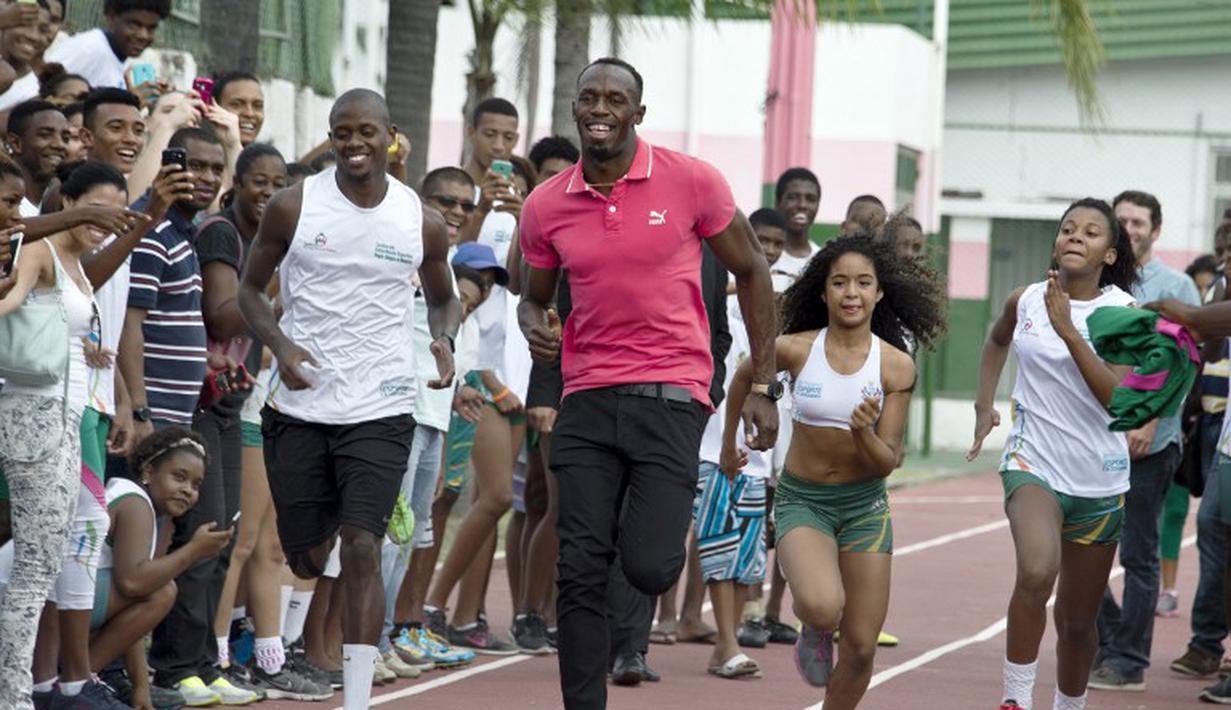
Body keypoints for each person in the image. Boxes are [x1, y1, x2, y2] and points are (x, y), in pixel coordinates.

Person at [517, 57, 779, 709]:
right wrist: (536, 326)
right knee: (578, 566)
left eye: (614, 98)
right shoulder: (546, 204)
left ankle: (629, 556)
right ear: (575, 109)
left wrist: (763, 382)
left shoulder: (691, 181)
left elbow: (750, 272)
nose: (599, 108)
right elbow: (533, 297)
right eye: (588, 97)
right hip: (586, 396)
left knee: (651, 566)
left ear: (638, 112)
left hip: (670, 395)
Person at [238, 89, 460, 710]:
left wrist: (442, 339)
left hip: (383, 404)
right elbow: (251, 292)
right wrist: (281, 346)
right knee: (309, 556)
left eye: (367, 132)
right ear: (331, 138)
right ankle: (327, 515)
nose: (354, 144)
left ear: (391, 135)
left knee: (364, 546)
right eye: (342, 133)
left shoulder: (421, 219)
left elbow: (444, 297)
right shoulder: (293, 206)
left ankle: (356, 700)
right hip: (302, 405)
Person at [728, 235, 941, 706]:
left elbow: (887, 460)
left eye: (863, 283)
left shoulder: (895, 365)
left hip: (864, 506)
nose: (851, 293)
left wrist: (864, 432)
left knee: (863, 648)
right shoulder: (797, 350)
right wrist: (729, 446)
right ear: (822, 292)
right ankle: (817, 629)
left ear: (879, 292)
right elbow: (745, 374)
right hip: (805, 501)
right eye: (839, 283)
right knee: (824, 607)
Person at [968, 198, 1139, 710]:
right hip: (1033, 463)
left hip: (1100, 478)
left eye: (1090, 232)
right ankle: (1015, 700)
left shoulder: (1123, 315)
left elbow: (1117, 398)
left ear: (1109, 254)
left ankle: (1070, 704)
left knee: (1078, 622)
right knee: (1037, 571)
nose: (1075, 237)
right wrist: (983, 404)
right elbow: (997, 341)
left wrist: (1068, 330)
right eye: (1068, 229)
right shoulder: (1025, 300)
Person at [0, 155, 107, 710]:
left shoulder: (80, 264)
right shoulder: (36, 250)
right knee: (37, 563)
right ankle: (13, 697)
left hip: (66, 415)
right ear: (68, 204)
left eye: (116, 212)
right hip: (31, 415)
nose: (107, 222)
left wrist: (90, 352)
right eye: (98, 210)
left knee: (44, 555)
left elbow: (52, 329)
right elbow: (9, 302)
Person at [1090, 190, 1201, 693]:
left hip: (1149, 445)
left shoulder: (1176, 286)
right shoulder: (1096, 280)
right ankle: (1109, 637)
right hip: (1093, 441)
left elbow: (1184, 362)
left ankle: (1129, 659)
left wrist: (1152, 422)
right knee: (1081, 545)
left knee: (1138, 552)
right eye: (1122, 221)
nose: (1129, 229)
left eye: (1138, 222)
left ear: (1156, 231)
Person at [425, 96, 524, 656]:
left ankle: (462, 615)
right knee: (455, 497)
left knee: (489, 497)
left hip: (504, 375)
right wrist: (482, 206)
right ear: (472, 132)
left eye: (510, 137)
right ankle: (429, 606)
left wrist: (520, 208)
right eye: (492, 135)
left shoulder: (515, 211)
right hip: (466, 376)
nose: (501, 147)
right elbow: (460, 262)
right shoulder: (457, 206)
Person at [81, 429, 228, 709]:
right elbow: (134, 585)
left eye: (196, 485)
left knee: (156, 586)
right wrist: (193, 551)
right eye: (179, 477)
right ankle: (77, 682)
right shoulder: (136, 504)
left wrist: (140, 688)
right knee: (162, 590)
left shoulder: (138, 501)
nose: (188, 490)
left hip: (56, 601)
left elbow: (132, 615)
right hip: (41, 601)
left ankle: (78, 678)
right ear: (148, 472)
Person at [46, 0, 171, 91]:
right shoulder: (89, 49)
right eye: (134, 25)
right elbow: (44, 94)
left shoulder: (120, 58)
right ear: (111, 17)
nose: (143, 35)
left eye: (151, 29)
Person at [773, 166, 821, 283]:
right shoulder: (761, 257)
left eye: (810, 199)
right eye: (793, 197)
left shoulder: (822, 260)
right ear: (778, 203)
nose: (802, 205)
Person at [213, 72, 264, 148]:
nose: (249, 113)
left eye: (257, 106)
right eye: (236, 105)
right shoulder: (192, 155)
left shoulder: (269, 158)